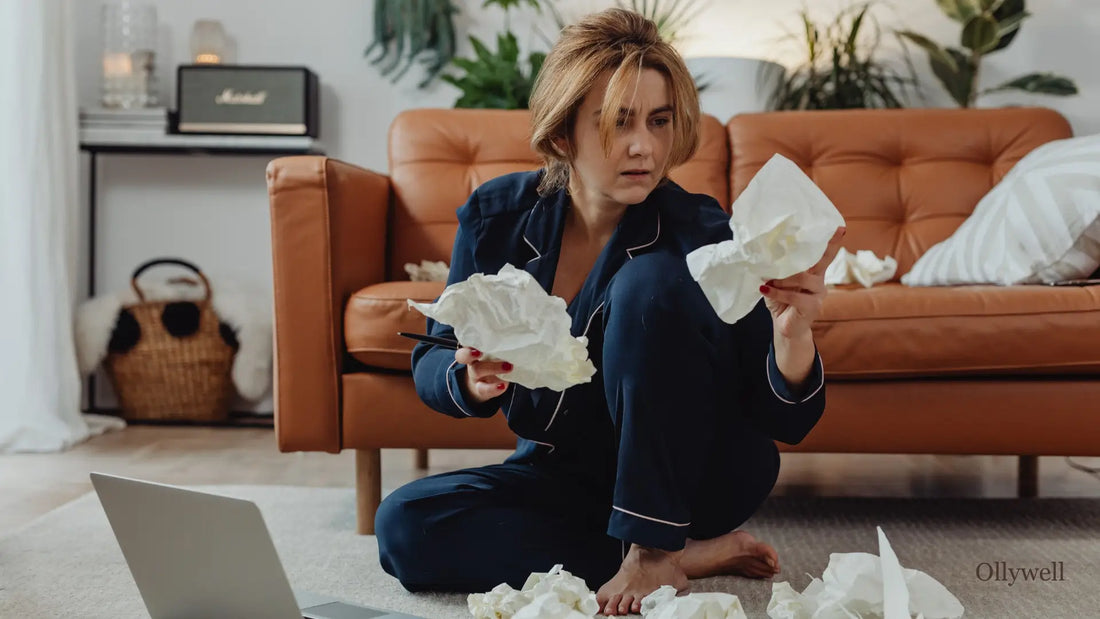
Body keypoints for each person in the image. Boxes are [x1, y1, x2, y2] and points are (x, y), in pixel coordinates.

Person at [376, 7, 844, 616]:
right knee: (405, 526)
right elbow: (432, 358)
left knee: (648, 281)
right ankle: (684, 556)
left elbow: (784, 420)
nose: (644, 146)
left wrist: (792, 334)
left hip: (696, 475)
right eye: (618, 122)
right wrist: (467, 376)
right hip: (566, 473)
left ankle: (654, 548)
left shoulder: (702, 233)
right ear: (562, 134)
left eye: (658, 121)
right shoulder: (497, 219)